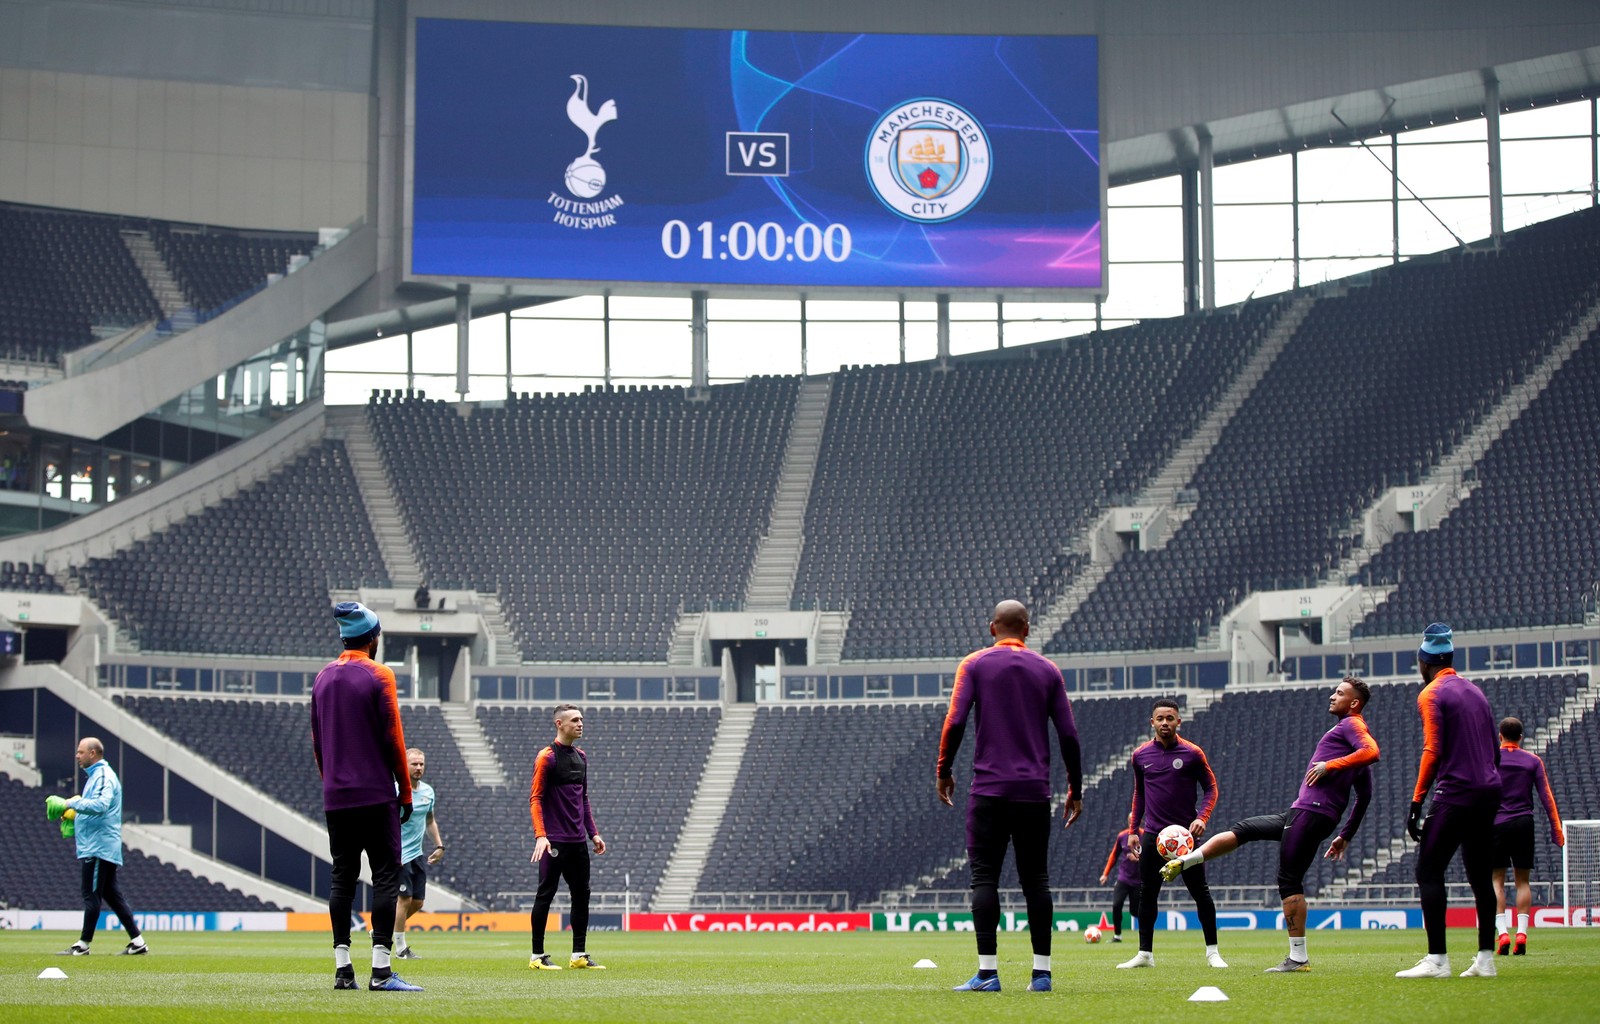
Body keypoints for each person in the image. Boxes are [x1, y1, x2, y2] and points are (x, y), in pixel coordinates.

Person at [1162, 677, 1379, 972]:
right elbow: (1364, 795)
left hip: (1311, 812)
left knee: (1289, 880)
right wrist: (1345, 835)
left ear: (1354, 703)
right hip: (1302, 812)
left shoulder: (1352, 726)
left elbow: (1372, 751)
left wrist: (1330, 766)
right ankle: (1187, 860)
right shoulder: (1348, 743)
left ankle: (1298, 958)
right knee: (1246, 829)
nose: (1332, 696)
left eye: (1339, 693)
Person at [936, 600, 1083, 994]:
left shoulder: (974, 664)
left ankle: (987, 974)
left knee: (984, 877)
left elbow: (956, 721)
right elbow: (1069, 734)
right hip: (1034, 793)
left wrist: (944, 770)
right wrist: (1076, 788)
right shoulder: (1048, 670)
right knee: (1037, 881)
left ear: (991, 628)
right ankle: (1042, 975)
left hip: (988, 790)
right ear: (1028, 630)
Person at [311, 601, 420, 992]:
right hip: (375, 794)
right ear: (373, 638)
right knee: (386, 877)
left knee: (342, 878)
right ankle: (380, 971)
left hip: (336, 797)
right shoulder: (379, 674)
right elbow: (394, 738)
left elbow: (318, 743)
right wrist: (405, 791)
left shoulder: (322, 678)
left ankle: (343, 970)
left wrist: (332, 785)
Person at [1397, 623, 1502, 979]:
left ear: (1423, 661)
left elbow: (1432, 750)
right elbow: (1494, 750)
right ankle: (1486, 960)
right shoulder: (1477, 692)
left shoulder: (1431, 693)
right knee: (1479, 876)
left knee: (1428, 870)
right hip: (1489, 789)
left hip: (1456, 791)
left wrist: (1415, 803)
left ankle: (1438, 960)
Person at [1116, 697, 1224, 970]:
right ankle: (1145, 954)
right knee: (1147, 895)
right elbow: (1139, 793)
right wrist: (1133, 831)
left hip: (1186, 838)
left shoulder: (1192, 753)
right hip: (1153, 836)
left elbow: (1211, 788)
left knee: (1201, 893)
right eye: (1160, 719)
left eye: (1170, 718)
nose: (1165, 723)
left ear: (1179, 721)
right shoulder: (1140, 755)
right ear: (1152, 722)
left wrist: (1202, 817)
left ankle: (1213, 953)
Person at [49, 737, 148, 956]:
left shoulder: (103, 776)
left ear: (93, 753)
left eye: (81, 752)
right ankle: (138, 942)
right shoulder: (97, 776)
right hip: (98, 844)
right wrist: (76, 817)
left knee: (90, 894)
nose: (77, 756)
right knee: (111, 895)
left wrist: (71, 803)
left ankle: (83, 945)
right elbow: (96, 807)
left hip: (98, 847)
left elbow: (101, 806)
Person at [528, 704, 607, 971]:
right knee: (545, 895)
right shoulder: (546, 757)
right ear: (559, 724)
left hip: (577, 842)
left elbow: (583, 799)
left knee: (581, 895)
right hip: (554, 842)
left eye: (582, 719)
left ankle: (579, 955)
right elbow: (535, 798)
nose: (581, 723)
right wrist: (541, 835)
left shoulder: (581, 757)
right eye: (575, 720)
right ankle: (537, 956)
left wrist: (593, 833)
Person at [1491, 717, 1564, 956]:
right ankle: (1521, 933)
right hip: (1524, 822)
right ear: (1520, 737)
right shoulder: (1533, 761)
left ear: (1500, 736)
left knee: (1496, 881)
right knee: (1523, 881)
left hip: (1496, 823)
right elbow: (1547, 797)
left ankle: (1503, 934)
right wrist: (1557, 829)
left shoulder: (1491, 759)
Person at [394, 748, 445, 960]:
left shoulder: (428, 792)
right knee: (404, 899)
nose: (418, 768)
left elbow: (429, 820)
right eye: (414, 764)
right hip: (399, 853)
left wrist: (440, 846)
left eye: (421, 764)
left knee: (418, 902)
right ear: (404, 765)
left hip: (417, 854)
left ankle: (382, 931)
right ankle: (400, 948)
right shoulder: (395, 791)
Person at [1098, 813, 1142, 943]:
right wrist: (1105, 873)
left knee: (1135, 911)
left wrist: (1139, 859)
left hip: (1138, 881)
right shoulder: (1122, 836)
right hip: (1124, 878)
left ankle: (1145, 934)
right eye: (1130, 821)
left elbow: (1151, 858)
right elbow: (1113, 855)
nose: (1132, 823)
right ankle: (1117, 936)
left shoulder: (1145, 836)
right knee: (1116, 905)